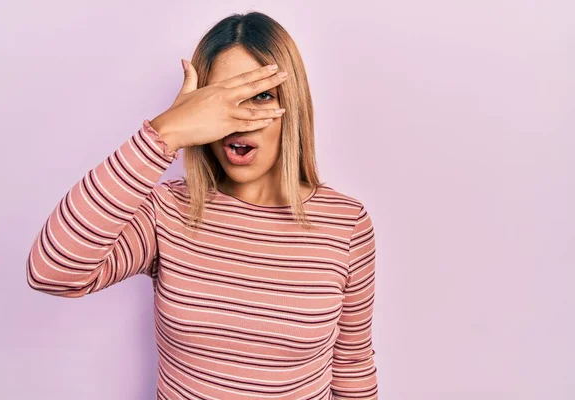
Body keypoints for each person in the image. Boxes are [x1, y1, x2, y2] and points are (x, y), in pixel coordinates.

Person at [26, 11, 378, 400]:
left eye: (260, 95)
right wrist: (166, 132)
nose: (240, 120)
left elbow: (352, 364)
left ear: (291, 105)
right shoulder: (168, 211)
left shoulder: (346, 223)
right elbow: (52, 271)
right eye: (221, 99)